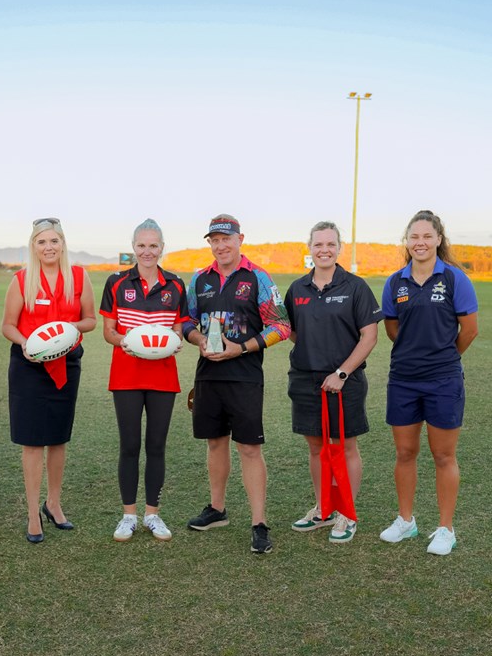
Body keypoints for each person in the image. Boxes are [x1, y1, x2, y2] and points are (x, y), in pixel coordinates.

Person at [183, 214, 291, 554]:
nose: (220, 246)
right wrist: (199, 339)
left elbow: (280, 326)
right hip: (208, 374)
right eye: (214, 240)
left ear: (240, 239)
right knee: (215, 443)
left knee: (249, 448)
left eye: (226, 239)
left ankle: (259, 523)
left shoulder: (257, 277)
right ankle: (217, 509)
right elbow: (185, 320)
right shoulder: (200, 279)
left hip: (244, 375)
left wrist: (241, 348)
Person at [379, 210, 478, 556]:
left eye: (426, 236)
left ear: (438, 239)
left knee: (443, 454)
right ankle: (406, 521)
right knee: (405, 452)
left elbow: (469, 330)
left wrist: (443, 357)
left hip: (443, 380)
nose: (419, 242)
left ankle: (445, 528)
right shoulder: (395, 282)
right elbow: (393, 330)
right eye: (413, 237)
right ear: (406, 242)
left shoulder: (454, 278)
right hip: (403, 380)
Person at [285, 222, 383, 543]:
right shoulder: (297, 289)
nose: (324, 249)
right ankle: (324, 508)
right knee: (316, 447)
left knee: (344, 446)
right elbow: (294, 332)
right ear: (309, 248)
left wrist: (341, 373)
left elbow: (369, 336)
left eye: (330, 244)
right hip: (306, 380)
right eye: (318, 244)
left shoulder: (355, 287)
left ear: (339, 248)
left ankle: (347, 512)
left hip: (345, 381)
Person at [1, 218, 96, 543]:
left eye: (54, 241)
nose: (49, 247)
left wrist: (68, 330)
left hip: (66, 363)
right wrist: (27, 343)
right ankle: (32, 513)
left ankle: (53, 503)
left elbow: (91, 320)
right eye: (42, 242)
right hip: (28, 366)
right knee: (32, 441)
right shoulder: (22, 280)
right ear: (34, 246)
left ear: (63, 244)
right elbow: (8, 326)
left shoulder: (79, 277)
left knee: (57, 438)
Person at [100, 219, 189, 542]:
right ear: (133, 247)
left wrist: (176, 339)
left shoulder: (176, 285)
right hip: (126, 374)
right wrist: (126, 341)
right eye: (141, 245)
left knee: (156, 446)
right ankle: (128, 515)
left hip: (163, 375)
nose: (147, 251)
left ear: (162, 248)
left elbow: (179, 329)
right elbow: (108, 331)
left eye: (153, 246)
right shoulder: (116, 282)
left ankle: (152, 514)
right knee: (130, 445)